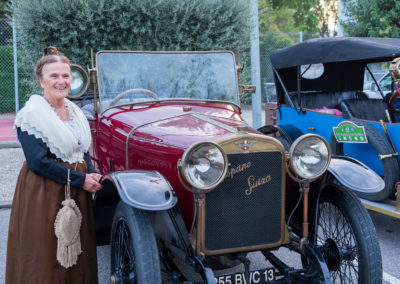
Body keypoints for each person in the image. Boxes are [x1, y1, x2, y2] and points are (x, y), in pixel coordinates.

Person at [5, 47, 102, 284]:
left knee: (77, 251)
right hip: (44, 193)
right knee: (46, 253)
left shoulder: (74, 110)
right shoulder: (32, 115)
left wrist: (92, 171)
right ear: (41, 80)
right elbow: (39, 162)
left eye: (66, 75)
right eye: (54, 76)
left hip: (76, 191)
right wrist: (81, 179)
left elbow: (80, 149)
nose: (62, 81)